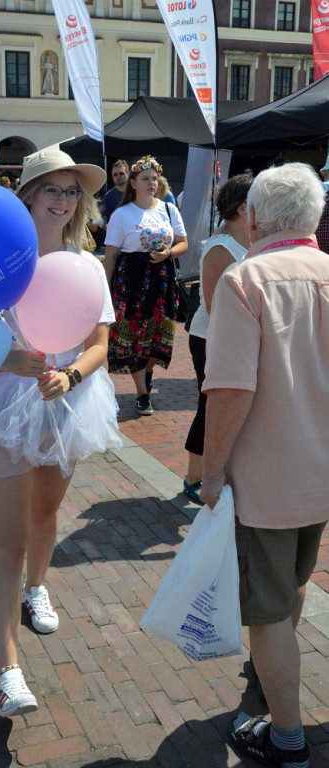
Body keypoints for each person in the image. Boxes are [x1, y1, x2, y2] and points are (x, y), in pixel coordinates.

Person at [0, 148, 122, 718]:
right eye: (51, 190)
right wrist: (6, 361)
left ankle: (38, 587)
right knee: (7, 541)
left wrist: (70, 374)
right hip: (1, 406)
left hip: (66, 402)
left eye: (71, 192)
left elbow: (100, 344)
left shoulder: (86, 266)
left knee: (45, 514)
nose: (63, 201)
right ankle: (8, 673)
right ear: (29, 196)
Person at [200, 162, 329, 768]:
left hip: (269, 479)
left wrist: (212, 468)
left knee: (269, 608)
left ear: (253, 217)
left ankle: (286, 737)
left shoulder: (246, 280)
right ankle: (274, 683)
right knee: (292, 587)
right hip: (320, 472)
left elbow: (230, 389)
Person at [183, 174, 252, 503]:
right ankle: (193, 476)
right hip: (210, 338)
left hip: (233, 338)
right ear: (242, 207)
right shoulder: (220, 248)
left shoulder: (247, 240)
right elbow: (213, 305)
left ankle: (219, 472)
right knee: (210, 405)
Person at [104, 155, 188, 415]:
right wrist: (105, 293)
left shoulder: (168, 209)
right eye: (145, 179)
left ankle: (147, 371)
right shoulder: (121, 215)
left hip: (161, 280)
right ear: (133, 183)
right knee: (134, 336)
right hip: (131, 281)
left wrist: (168, 254)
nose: (152, 183)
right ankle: (142, 392)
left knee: (158, 336)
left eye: (154, 178)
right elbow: (110, 257)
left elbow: (184, 243)